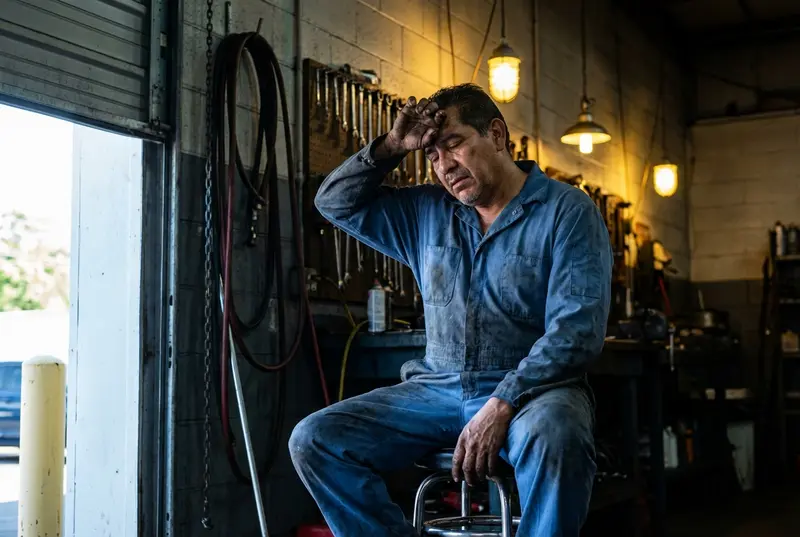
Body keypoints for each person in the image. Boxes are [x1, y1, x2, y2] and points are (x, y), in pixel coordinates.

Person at [289, 83, 612, 537]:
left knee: (557, 435)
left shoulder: (566, 212)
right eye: (433, 156)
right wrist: (393, 146)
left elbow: (575, 331)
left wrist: (503, 401)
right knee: (315, 439)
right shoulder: (426, 213)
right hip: (434, 390)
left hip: (533, 393)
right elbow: (333, 202)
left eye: (453, 144)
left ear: (497, 135)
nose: (444, 166)